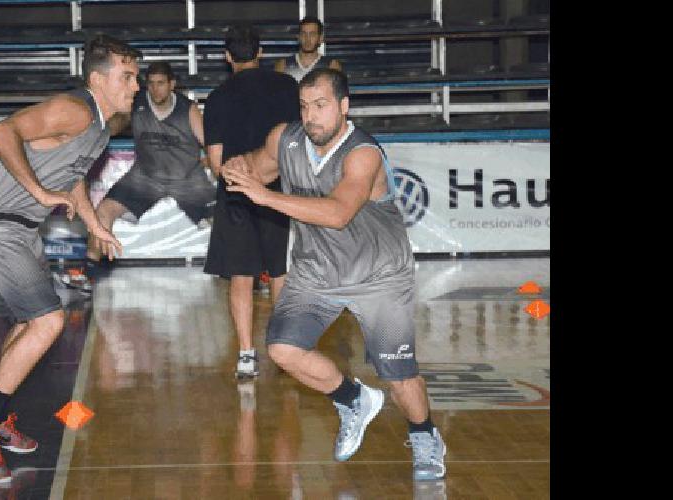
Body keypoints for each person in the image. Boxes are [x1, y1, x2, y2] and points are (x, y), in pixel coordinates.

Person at [222, 68, 446, 481]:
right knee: (283, 350)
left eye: (321, 106)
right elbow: (256, 167)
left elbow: (339, 213)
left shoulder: (363, 153)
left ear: (344, 107)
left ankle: (425, 435)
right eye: (305, 107)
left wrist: (266, 196)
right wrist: (238, 167)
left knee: (398, 377)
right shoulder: (285, 139)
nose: (311, 116)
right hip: (317, 271)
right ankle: (353, 398)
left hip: (378, 276)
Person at [0, 35, 139, 484]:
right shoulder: (74, 109)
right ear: (98, 79)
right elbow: (0, 132)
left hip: (21, 229)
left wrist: (93, 224)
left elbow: (72, 177)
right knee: (48, 322)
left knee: (27, 322)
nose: (135, 85)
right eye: (126, 77)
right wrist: (38, 192)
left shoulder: (99, 126)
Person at [203, 23, 300, 379]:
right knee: (280, 272)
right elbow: (298, 141)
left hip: (236, 194)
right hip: (279, 191)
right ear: (260, 52)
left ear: (227, 57)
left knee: (241, 277)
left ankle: (247, 354)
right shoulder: (288, 87)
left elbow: (215, 162)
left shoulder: (217, 98)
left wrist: (241, 179)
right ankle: (287, 347)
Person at [81, 62, 213, 267]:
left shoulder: (188, 109)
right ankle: (87, 272)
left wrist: (210, 163)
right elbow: (117, 123)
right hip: (146, 177)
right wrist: (102, 129)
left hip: (186, 178)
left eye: (160, 83)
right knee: (102, 213)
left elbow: (209, 143)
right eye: (150, 83)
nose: (155, 89)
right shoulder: (136, 103)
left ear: (172, 84)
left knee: (225, 220)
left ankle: (247, 271)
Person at [274, 16, 343, 82]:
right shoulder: (283, 65)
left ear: (320, 38)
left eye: (312, 34)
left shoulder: (332, 66)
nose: (307, 39)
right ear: (298, 37)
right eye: (304, 34)